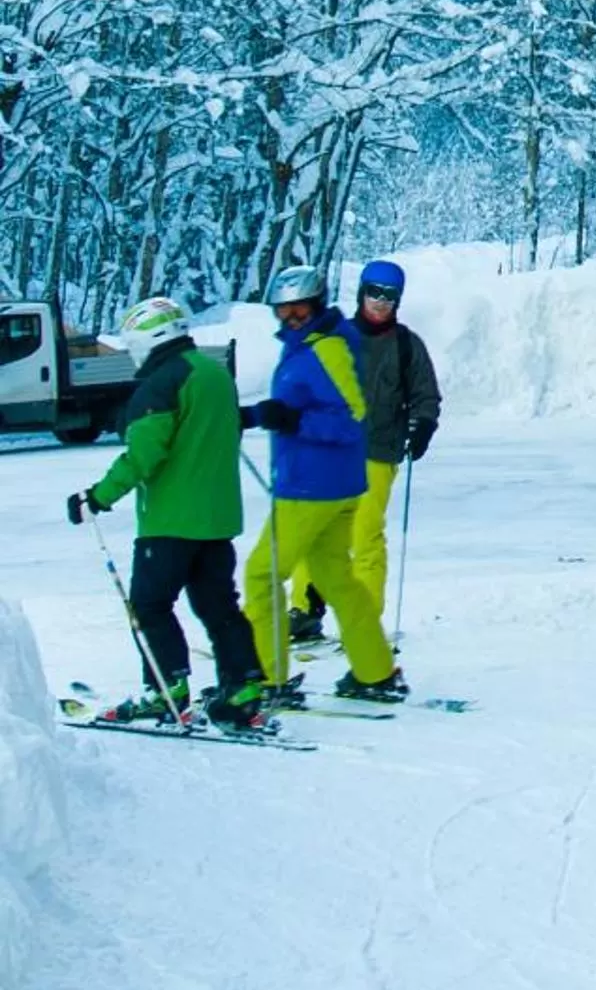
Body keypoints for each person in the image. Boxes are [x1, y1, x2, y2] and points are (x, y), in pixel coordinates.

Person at [67, 296, 268, 727]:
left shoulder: (160, 384)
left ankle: (166, 690)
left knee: (150, 605)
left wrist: (96, 497)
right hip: (217, 521)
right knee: (219, 607)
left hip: (170, 523)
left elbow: (142, 456)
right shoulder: (215, 374)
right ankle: (243, 686)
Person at [240, 266, 405, 705]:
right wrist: (255, 416)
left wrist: (293, 421)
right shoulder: (310, 345)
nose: (292, 318)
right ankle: (375, 671)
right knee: (337, 579)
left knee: (261, 575)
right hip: (329, 484)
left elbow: (351, 416)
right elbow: (301, 404)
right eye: (284, 310)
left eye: (300, 309)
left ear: (317, 305)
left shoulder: (327, 347)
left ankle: (266, 678)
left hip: (311, 488)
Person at [292, 258, 439, 646]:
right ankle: (305, 612)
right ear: (361, 292)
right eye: (374, 293)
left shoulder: (407, 346)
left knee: (364, 535)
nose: (381, 302)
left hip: (377, 451)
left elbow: (427, 395)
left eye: (390, 296)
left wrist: (423, 426)